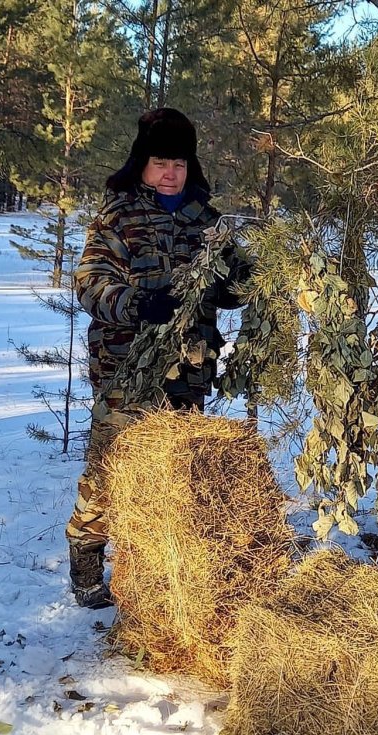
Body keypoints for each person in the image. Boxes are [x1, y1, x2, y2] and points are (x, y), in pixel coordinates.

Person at [66, 108, 248, 609]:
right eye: (161, 161)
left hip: (188, 371)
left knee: (174, 475)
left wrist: (246, 284)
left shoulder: (207, 222)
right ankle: (86, 559)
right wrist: (137, 303)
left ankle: (156, 569)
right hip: (126, 365)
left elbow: (234, 285)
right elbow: (90, 284)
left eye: (180, 163)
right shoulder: (117, 217)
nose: (171, 173)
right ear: (141, 163)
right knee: (111, 465)